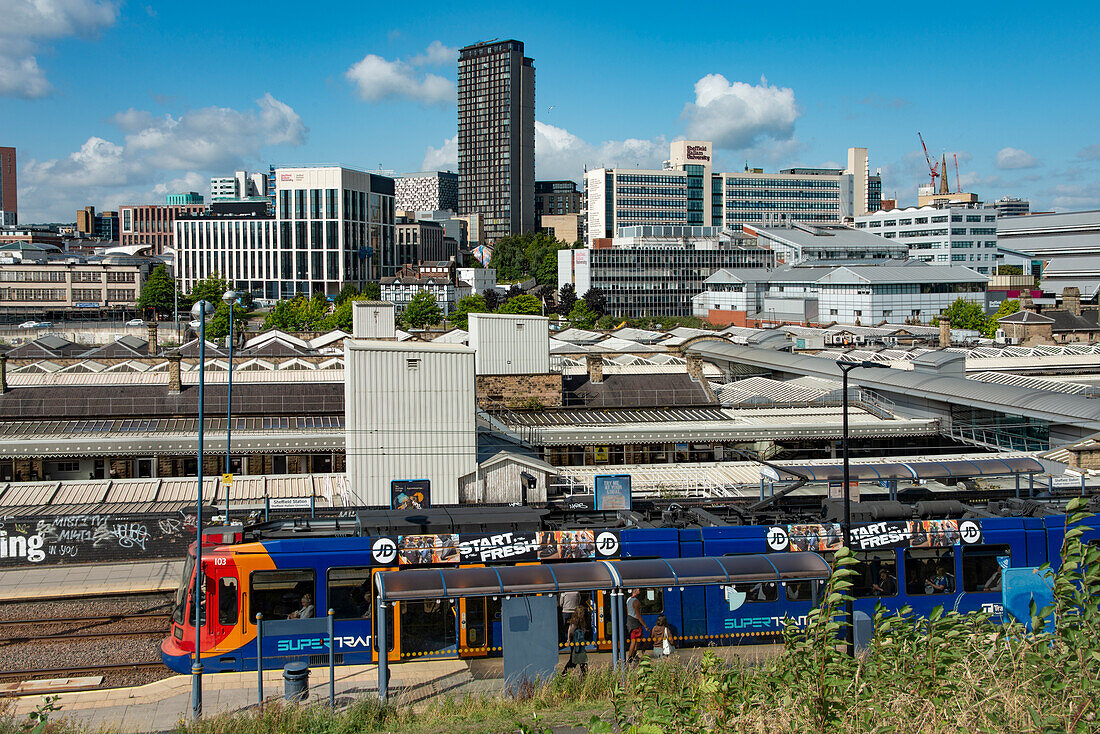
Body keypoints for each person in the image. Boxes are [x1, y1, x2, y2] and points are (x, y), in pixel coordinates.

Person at [561, 607, 588, 676]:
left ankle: (565, 672)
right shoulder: (580, 620)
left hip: (575, 641)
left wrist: (568, 639)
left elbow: (570, 630)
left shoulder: (574, 620)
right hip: (578, 641)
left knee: (575, 658)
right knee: (579, 658)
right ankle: (584, 673)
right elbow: (576, 630)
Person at [625, 588, 649, 664]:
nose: (640, 592)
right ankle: (630, 656)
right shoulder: (636, 602)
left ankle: (633, 655)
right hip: (635, 622)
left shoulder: (628, 600)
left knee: (635, 639)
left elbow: (628, 611)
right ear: (635, 591)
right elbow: (638, 615)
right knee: (634, 640)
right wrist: (645, 625)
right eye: (639, 590)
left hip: (630, 620)